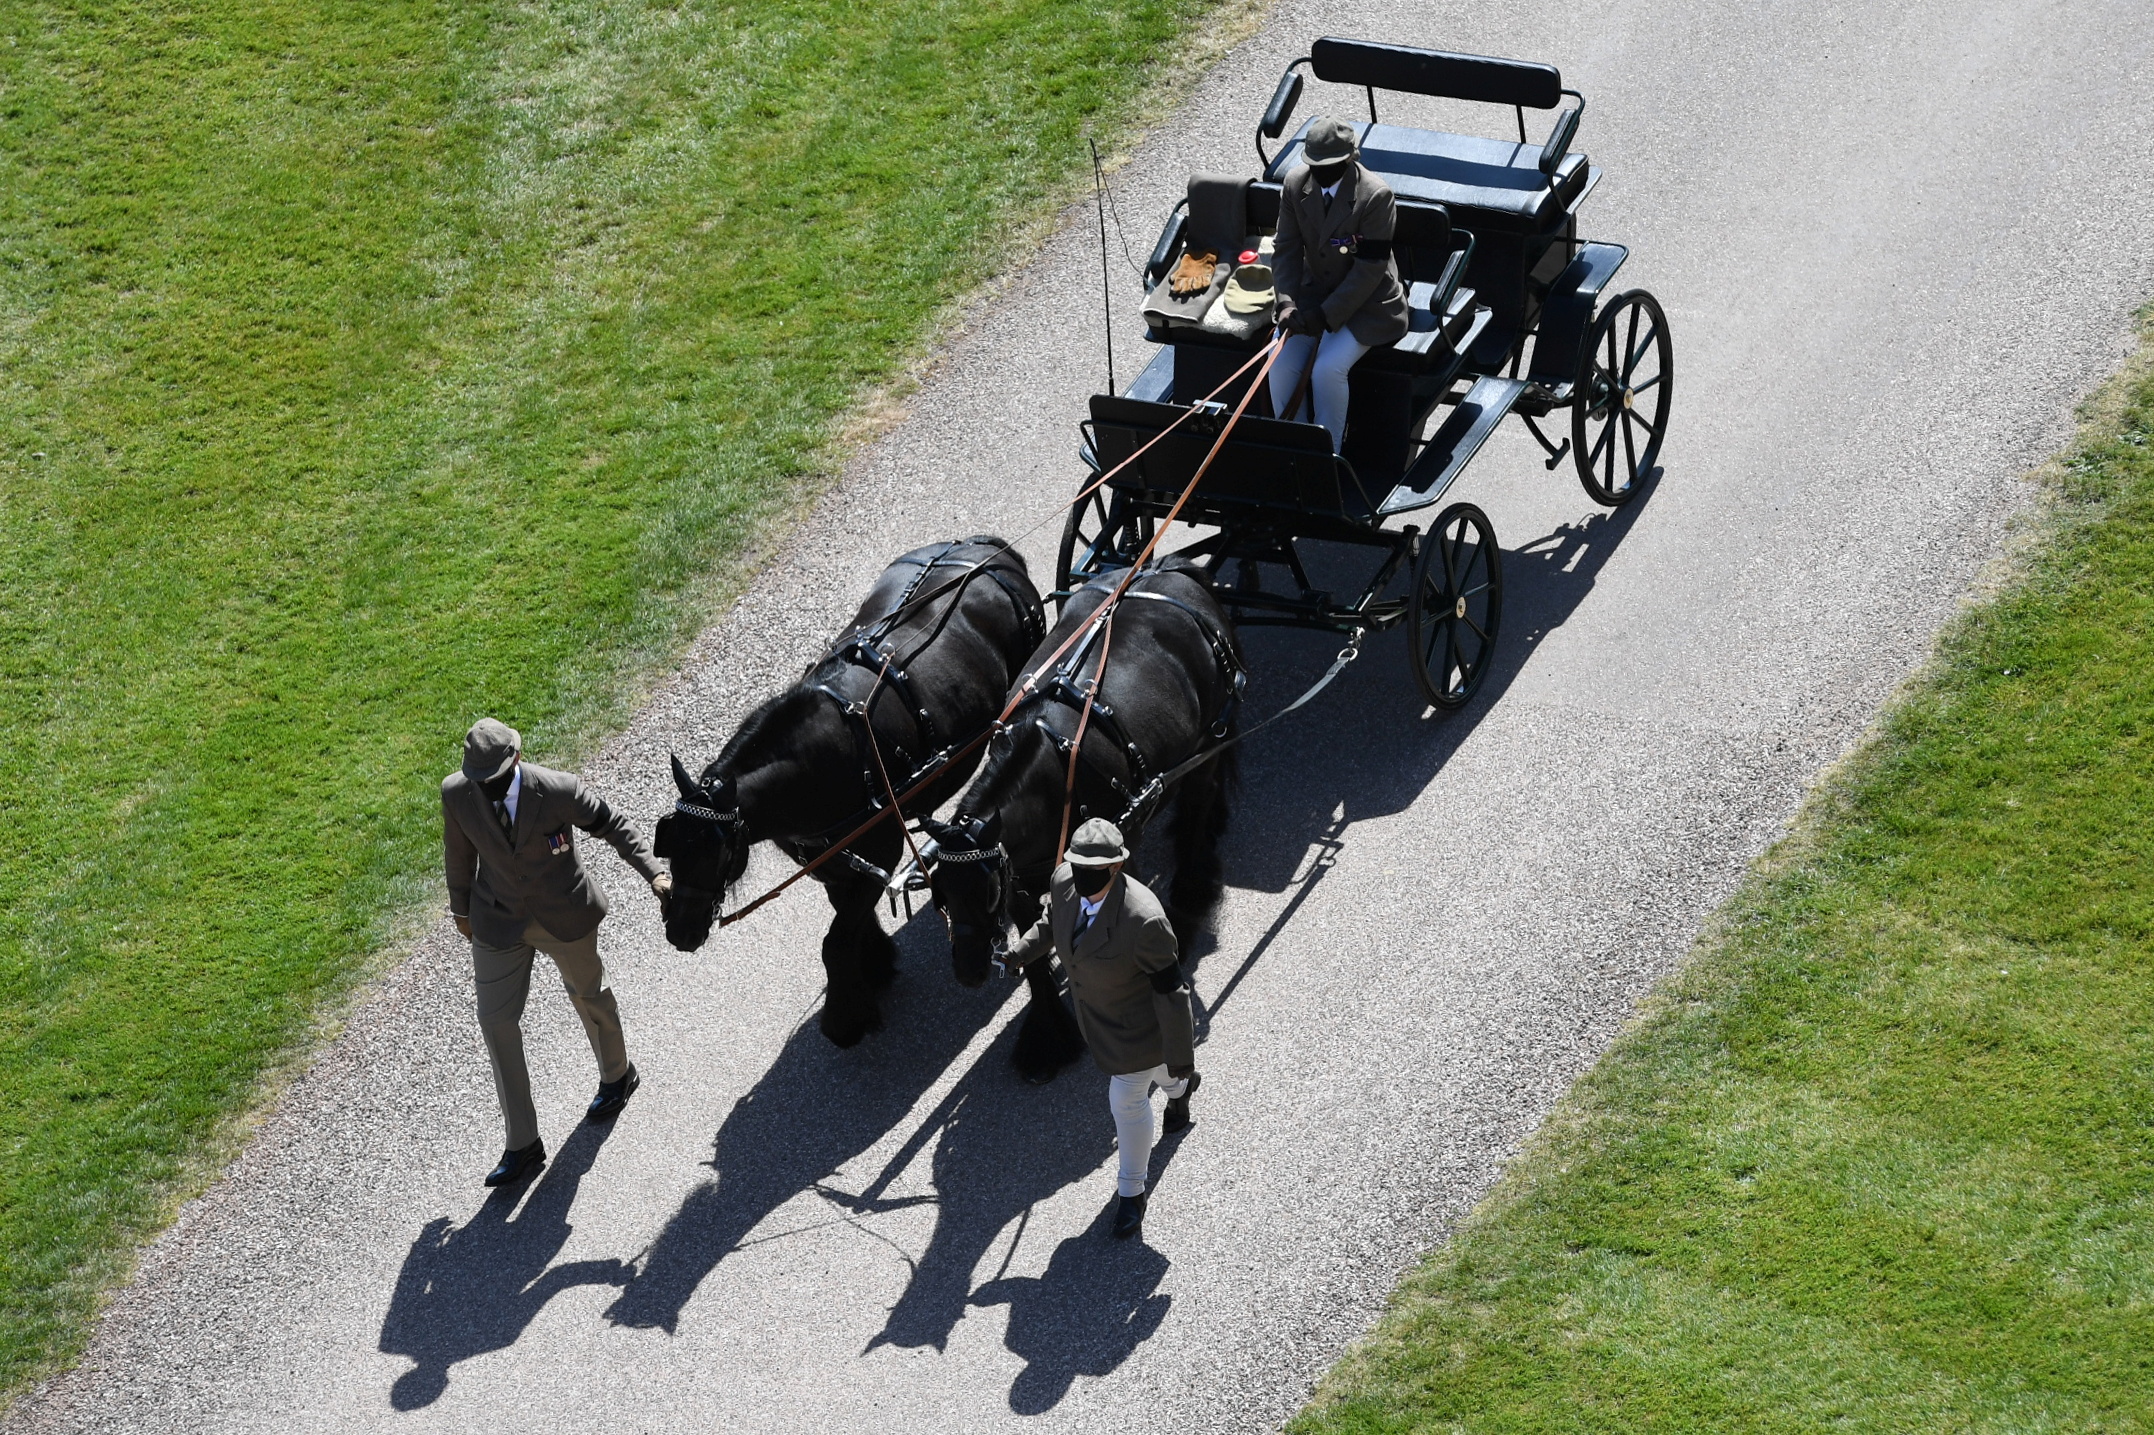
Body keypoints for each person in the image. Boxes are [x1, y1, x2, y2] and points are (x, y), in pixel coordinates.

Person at [442, 718, 673, 1187]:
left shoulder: (559, 790)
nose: (488, 789)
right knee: (495, 1021)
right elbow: (458, 855)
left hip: (563, 914)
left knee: (589, 994)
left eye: (497, 780)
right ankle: (522, 1144)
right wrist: (461, 913)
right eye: (480, 781)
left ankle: (617, 1074)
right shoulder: (456, 794)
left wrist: (654, 873)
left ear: (518, 761)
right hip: (498, 920)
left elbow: (614, 825)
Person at [1006, 818, 1198, 1240]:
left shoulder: (1144, 920)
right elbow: (1052, 925)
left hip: (1140, 1029)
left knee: (1126, 1101)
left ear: (1117, 867)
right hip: (1098, 1022)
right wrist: (1018, 954)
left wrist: (1183, 1054)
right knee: (1164, 1076)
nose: (1081, 876)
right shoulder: (1062, 882)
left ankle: (1132, 1193)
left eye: (1094, 868)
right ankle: (1181, 1090)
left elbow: (1173, 994)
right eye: (1076, 864)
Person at [1269, 115, 1410, 453]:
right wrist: (1287, 303)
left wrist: (1326, 314)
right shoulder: (1294, 185)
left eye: (1328, 166)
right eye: (1313, 165)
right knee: (1279, 363)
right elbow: (1286, 248)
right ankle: (1295, 450)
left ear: (1350, 159)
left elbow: (1369, 269)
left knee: (1327, 370)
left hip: (1368, 306)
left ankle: (1328, 456)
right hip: (1312, 298)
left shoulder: (1376, 196)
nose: (1319, 173)